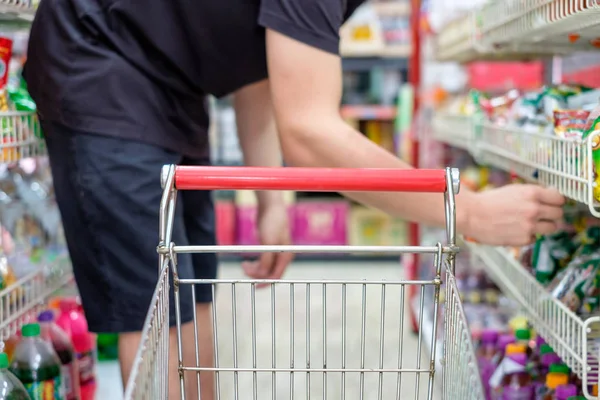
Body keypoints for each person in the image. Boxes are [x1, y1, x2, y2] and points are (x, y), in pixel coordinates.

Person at [23, 0, 565, 398]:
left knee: (190, 290)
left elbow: (261, 63)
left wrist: (272, 197)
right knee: (155, 303)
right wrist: (467, 212)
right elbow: (310, 133)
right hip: (96, 55)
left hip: (172, 82)